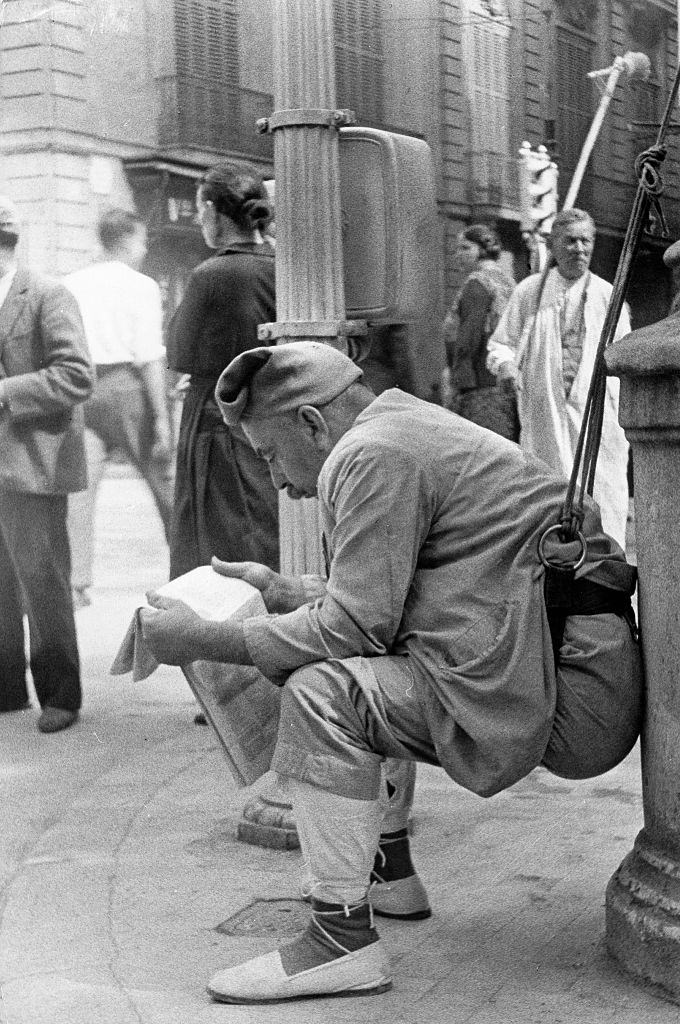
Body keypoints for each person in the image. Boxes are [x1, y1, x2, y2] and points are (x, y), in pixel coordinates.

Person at [139, 341, 643, 1004]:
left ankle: (338, 942)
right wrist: (286, 590)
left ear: (314, 423)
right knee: (347, 666)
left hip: (572, 691)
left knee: (324, 692)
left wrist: (203, 638)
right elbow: (394, 594)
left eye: (269, 453)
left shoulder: (369, 453)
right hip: (568, 665)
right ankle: (389, 875)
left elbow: (356, 626)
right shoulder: (399, 425)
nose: (278, 482)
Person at [0, 195, 93, 733]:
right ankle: (7, 687)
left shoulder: (48, 294)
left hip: (33, 466)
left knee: (43, 579)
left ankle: (60, 695)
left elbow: (77, 375)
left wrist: (7, 391)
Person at [486, 209, 632, 546]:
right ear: (553, 245)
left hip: (599, 419)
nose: (579, 248)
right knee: (547, 498)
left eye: (586, 241)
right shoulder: (530, 292)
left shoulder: (609, 296)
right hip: (544, 418)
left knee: (603, 500)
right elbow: (500, 345)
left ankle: (603, 571)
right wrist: (507, 367)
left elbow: (625, 357)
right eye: (570, 240)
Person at [166, 160, 278, 580]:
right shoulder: (280, 268)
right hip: (269, 416)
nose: (199, 221)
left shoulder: (210, 275)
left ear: (213, 210)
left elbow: (179, 350)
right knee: (264, 529)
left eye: (200, 211)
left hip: (216, 423)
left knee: (212, 542)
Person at [65, 208, 173, 608]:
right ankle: (185, 570)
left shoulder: (71, 283)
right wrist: (161, 419)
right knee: (163, 478)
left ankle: (77, 584)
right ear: (127, 240)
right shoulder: (142, 286)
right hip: (125, 386)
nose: (144, 250)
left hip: (80, 388)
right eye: (142, 241)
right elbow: (148, 355)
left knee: (80, 486)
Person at [442, 223, 516, 437]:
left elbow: (468, 338)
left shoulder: (477, 284)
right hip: (505, 383)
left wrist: (457, 385)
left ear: (482, 250)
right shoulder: (510, 282)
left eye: (465, 248)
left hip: (478, 387)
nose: (459, 255)